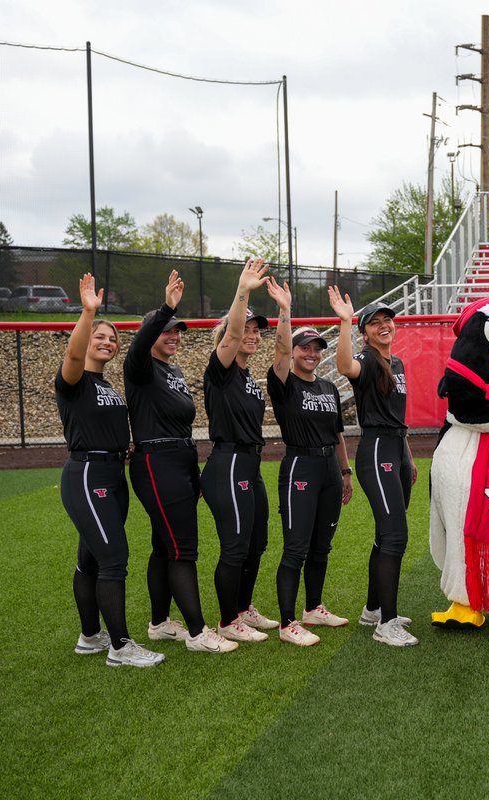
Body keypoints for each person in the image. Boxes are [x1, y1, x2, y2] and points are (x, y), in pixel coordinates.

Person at [125, 270, 236, 655]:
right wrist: (166, 307)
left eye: (177, 331)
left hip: (180, 459)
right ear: (149, 335)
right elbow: (138, 348)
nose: (173, 336)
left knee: (163, 545)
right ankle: (196, 632)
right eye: (166, 330)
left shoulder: (170, 369)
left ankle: (159, 624)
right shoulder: (139, 367)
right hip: (157, 462)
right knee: (182, 549)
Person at [56, 273, 164, 667]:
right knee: (114, 559)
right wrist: (88, 313)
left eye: (112, 338)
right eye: (99, 336)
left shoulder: (106, 386)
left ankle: (90, 637)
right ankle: (120, 647)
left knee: (91, 560)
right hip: (87, 476)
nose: (107, 342)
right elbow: (71, 356)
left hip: (112, 476)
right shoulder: (74, 380)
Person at [266, 279, 355, 646]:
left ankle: (313, 608)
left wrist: (345, 471)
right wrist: (284, 311)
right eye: (305, 347)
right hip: (299, 468)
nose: (312, 353)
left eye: (317, 349)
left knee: (322, 546)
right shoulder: (284, 383)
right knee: (296, 548)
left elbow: (337, 433)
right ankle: (288, 623)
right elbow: (281, 353)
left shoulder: (328, 388)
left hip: (329, 470)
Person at [329, 291, 418, 647]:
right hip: (377, 448)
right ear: (365, 333)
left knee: (386, 535)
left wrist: (408, 457)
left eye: (387, 320)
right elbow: (343, 367)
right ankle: (387, 623)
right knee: (396, 536)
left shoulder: (397, 363)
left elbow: (399, 419)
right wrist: (346, 321)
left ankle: (373, 609)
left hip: (396, 448)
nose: (384, 326)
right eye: (375, 323)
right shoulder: (364, 360)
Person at [201, 259, 280, 644]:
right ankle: (228, 620)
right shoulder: (222, 368)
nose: (251, 335)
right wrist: (243, 289)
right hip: (228, 462)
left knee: (256, 542)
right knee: (234, 546)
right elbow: (230, 336)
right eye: (246, 328)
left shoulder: (247, 375)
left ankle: (244, 608)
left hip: (249, 462)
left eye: (256, 331)